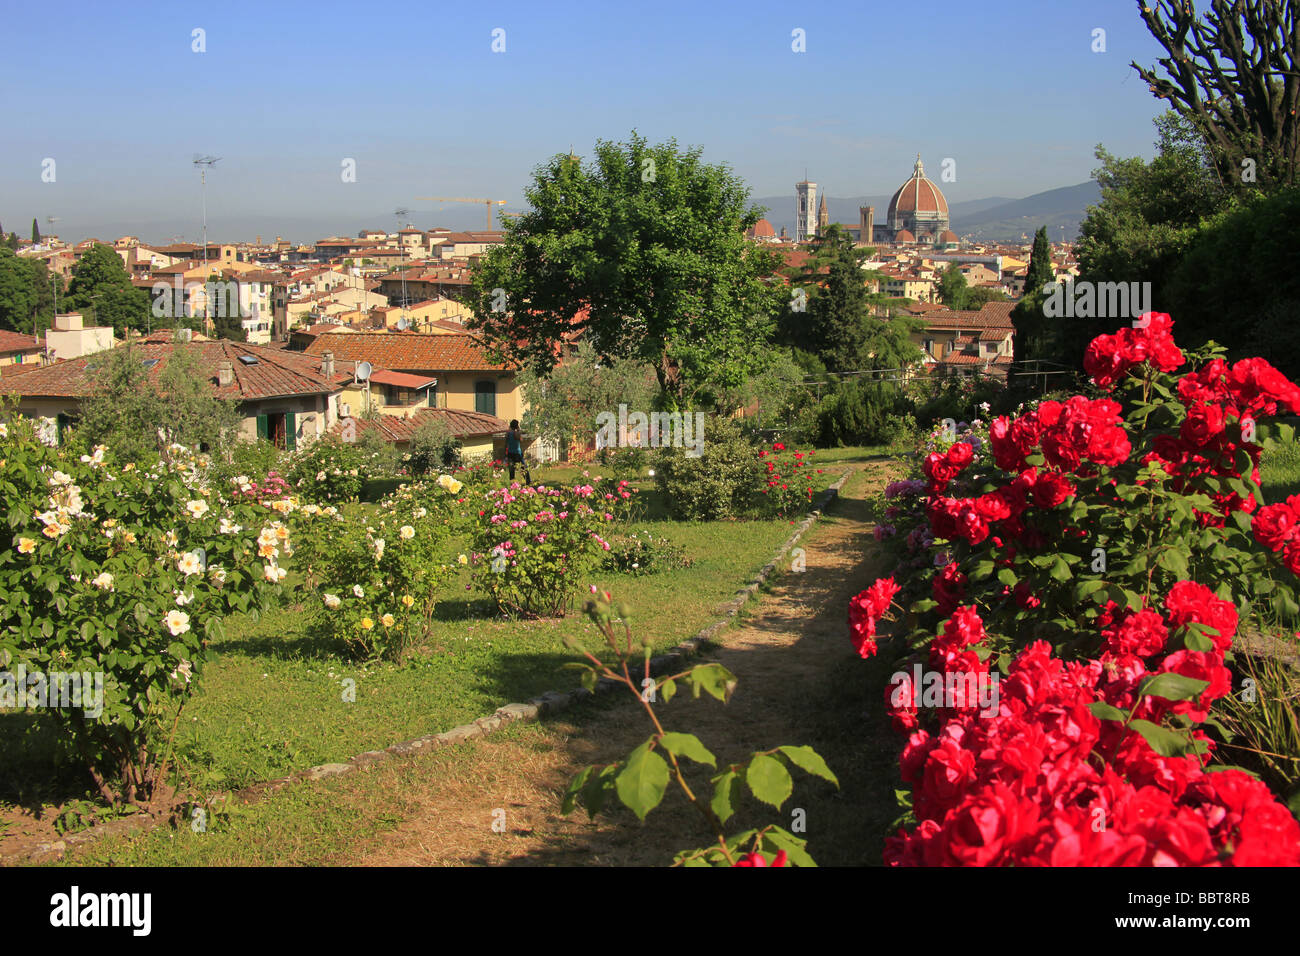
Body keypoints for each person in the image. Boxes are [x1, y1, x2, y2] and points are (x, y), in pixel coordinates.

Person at [506, 420, 531, 484]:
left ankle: (512, 482)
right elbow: (521, 440)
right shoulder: (516, 433)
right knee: (523, 467)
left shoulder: (508, 433)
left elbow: (506, 442)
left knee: (512, 469)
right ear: (516, 425)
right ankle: (528, 481)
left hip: (510, 453)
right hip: (517, 453)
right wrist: (519, 430)